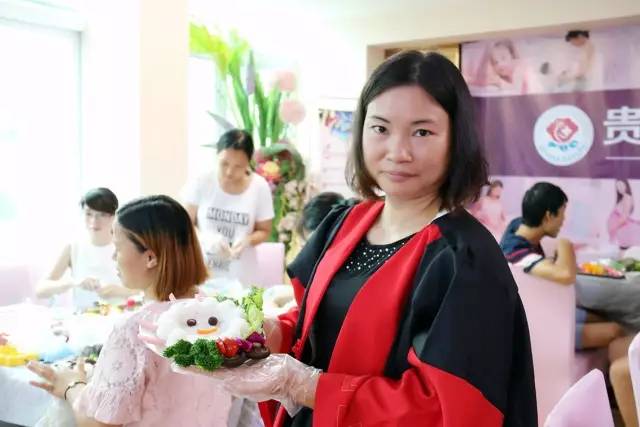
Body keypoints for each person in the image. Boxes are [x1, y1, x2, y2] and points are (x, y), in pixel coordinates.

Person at [181, 51, 537, 426]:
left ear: (457, 139)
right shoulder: (346, 222)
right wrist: (264, 334)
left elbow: (446, 409)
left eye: (422, 132)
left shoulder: (464, 259)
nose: (398, 152)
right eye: (380, 128)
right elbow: (316, 325)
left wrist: (308, 386)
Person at [28, 195, 233, 426]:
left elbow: (98, 424)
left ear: (150, 257)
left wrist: (71, 386)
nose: (113, 257)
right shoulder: (220, 315)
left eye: (117, 248)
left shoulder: (135, 331)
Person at [183, 129, 274, 286]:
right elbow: (184, 224)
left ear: (249, 163)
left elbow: (265, 230)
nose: (230, 172)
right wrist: (206, 238)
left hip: (242, 274)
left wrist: (248, 240)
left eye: (238, 166)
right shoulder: (202, 181)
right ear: (216, 155)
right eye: (224, 163)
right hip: (202, 271)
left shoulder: (259, 187)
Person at [35, 188, 137, 309]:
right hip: (82, 317)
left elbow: (148, 291)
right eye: (88, 214)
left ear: (114, 216)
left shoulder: (126, 246)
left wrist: (121, 291)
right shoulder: (73, 247)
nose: (94, 221)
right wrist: (73, 283)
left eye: (102, 215)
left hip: (120, 317)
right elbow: (40, 290)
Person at [608, 178, 640, 249]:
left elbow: (625, 216)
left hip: (623, 231)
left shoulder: (627, 197)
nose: (619, 188)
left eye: (621, 185)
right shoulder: (623, 198)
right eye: (617, 186)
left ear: (626, 185)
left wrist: (614, 227)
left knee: (623, 252)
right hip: (621, 230)